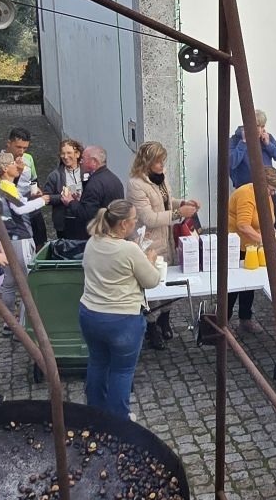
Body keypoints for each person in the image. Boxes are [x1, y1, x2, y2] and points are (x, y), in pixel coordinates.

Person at [77, 199, 166, 420]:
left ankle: (95, 414)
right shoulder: (129, 250)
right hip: (122, 320)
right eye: (134, 220)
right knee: (122, 371)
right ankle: (118, 421)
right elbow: (152, 280)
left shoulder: (93, 242)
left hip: (90, 314)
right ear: (124, 225)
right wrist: (151, 259)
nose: (136, 223)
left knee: (97, 363)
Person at [127, 141, 197, 349]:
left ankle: (164, 319)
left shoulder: (160, 179)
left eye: (162, 161)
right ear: (146, 163)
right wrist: (178, 214)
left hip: (166, 239)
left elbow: (167, 200)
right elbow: (148, 217)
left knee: (169, 283)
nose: (161, 166)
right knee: (152, 287)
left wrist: (183, 203)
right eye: (158, 162)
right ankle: (150, 327)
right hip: (148, 243)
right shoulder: (135, 185)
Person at [227, 166, 276, 333]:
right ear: (262, 184)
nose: (273, 194)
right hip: (237, 246)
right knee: (233, 287)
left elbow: (268, 220)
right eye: (272, 190)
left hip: (253, 246)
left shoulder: (265, 195)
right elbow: (243, 225)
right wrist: (266, 241)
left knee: (249, 285)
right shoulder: (246, 194)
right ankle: (224, 322)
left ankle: (245, 319)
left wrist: (275, 234)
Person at [68, 145, 125, 242]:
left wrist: (70, 202)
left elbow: (86, 214)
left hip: (99, 236)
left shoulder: (94, 184)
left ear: (94, 162)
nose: (80, 162)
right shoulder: (115, 179)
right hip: (114, 232)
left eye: (83, 159)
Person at [227, 109, 276, 193]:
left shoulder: (266, 138)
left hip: (268, 189)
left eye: (263, 126)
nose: (261, 130)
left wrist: (268, 145)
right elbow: (231, 163)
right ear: (247, 125)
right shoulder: (235, 140)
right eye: (258, 126)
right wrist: (244, 142)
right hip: (246, 190)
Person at [41, 138, 88, 239]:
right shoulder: (54, 176)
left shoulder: (87, 172)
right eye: (63, 153)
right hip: (64, 222)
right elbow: (46, 198)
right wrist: (62, 197)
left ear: (77, 154)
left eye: (69, 153)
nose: (65, 157)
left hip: (84, 220)